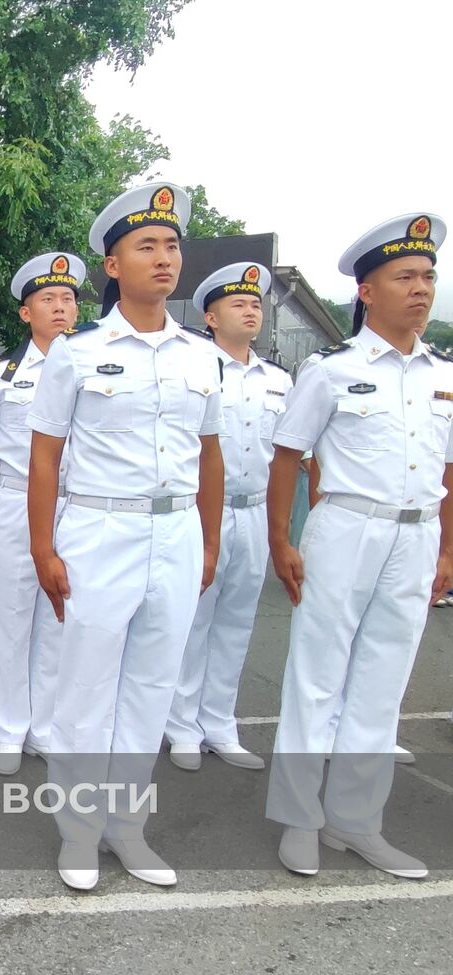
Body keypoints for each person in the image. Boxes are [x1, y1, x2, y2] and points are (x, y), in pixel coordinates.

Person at [27, 183, 223, 891]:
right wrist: (45, 547)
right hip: (98, 527)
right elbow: (45, 453)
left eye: (171, 245)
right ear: (113, 265)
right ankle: (78, 832)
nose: (164, 257)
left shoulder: (201, 356)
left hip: (173, 531)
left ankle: (127, 826)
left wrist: (206, 542)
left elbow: (210, 454)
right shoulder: (76, 355)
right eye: (147, 246)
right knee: (87, 685)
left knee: (151, 686)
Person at [266, 213, 449, 879]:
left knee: (381, 685)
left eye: (428, 276)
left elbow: (449, 472)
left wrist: (448, 550)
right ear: (368, 290)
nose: (421, 288)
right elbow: (288, 455)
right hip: (345, 526)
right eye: (405, 276)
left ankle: (356, 821)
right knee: (317, 677)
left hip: (417, 531)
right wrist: (281, 539)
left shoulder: (442, 374)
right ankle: (299, 819)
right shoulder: (332, 371)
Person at [165, 263, 291, 772]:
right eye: (238, 303)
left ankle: (219, 722)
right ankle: (180, 724)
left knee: (237, 622)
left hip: (254, 512)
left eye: (256, 303)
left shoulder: (279, 380)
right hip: (201, 512)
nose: (251, 309)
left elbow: (293, 455)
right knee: (194, 620)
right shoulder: (194, 369)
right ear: (210, 317)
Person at [0, 252, 84, 775]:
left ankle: (45, 727)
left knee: (61, 618)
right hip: (14, 502)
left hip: (74, 504)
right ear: (25, 313)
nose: (60, 308)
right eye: (48, 300)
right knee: (13, 618)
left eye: (68, 299)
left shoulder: (89, 365)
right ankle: (10, 728)